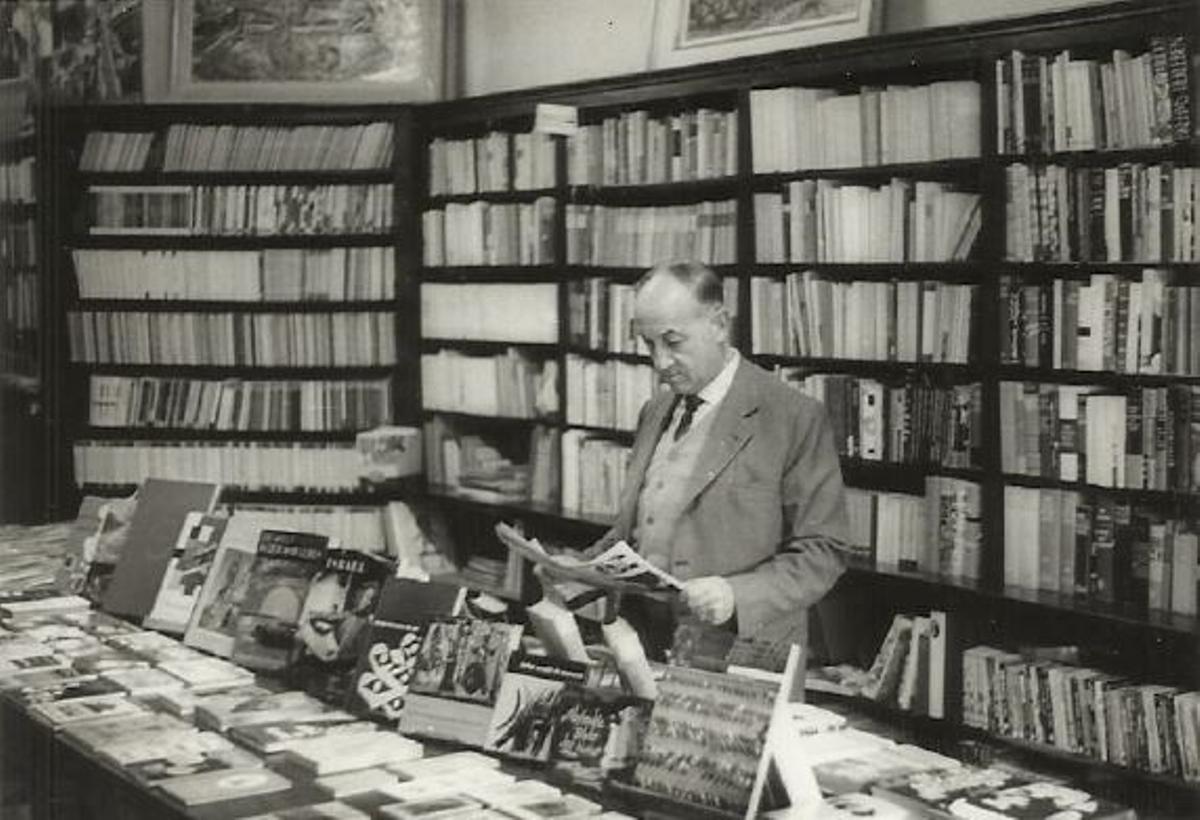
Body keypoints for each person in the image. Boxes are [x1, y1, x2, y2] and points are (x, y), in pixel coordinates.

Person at [581, 260, 850, 660]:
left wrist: (734, 593)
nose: (659, 363)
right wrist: (575, 569)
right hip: (647, 647)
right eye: (648, 345)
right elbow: (635, 531)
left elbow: (823, 550)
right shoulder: (655, 411)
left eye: (673, 343)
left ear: (720, 325)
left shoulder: (792, 416)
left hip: (743, 656)